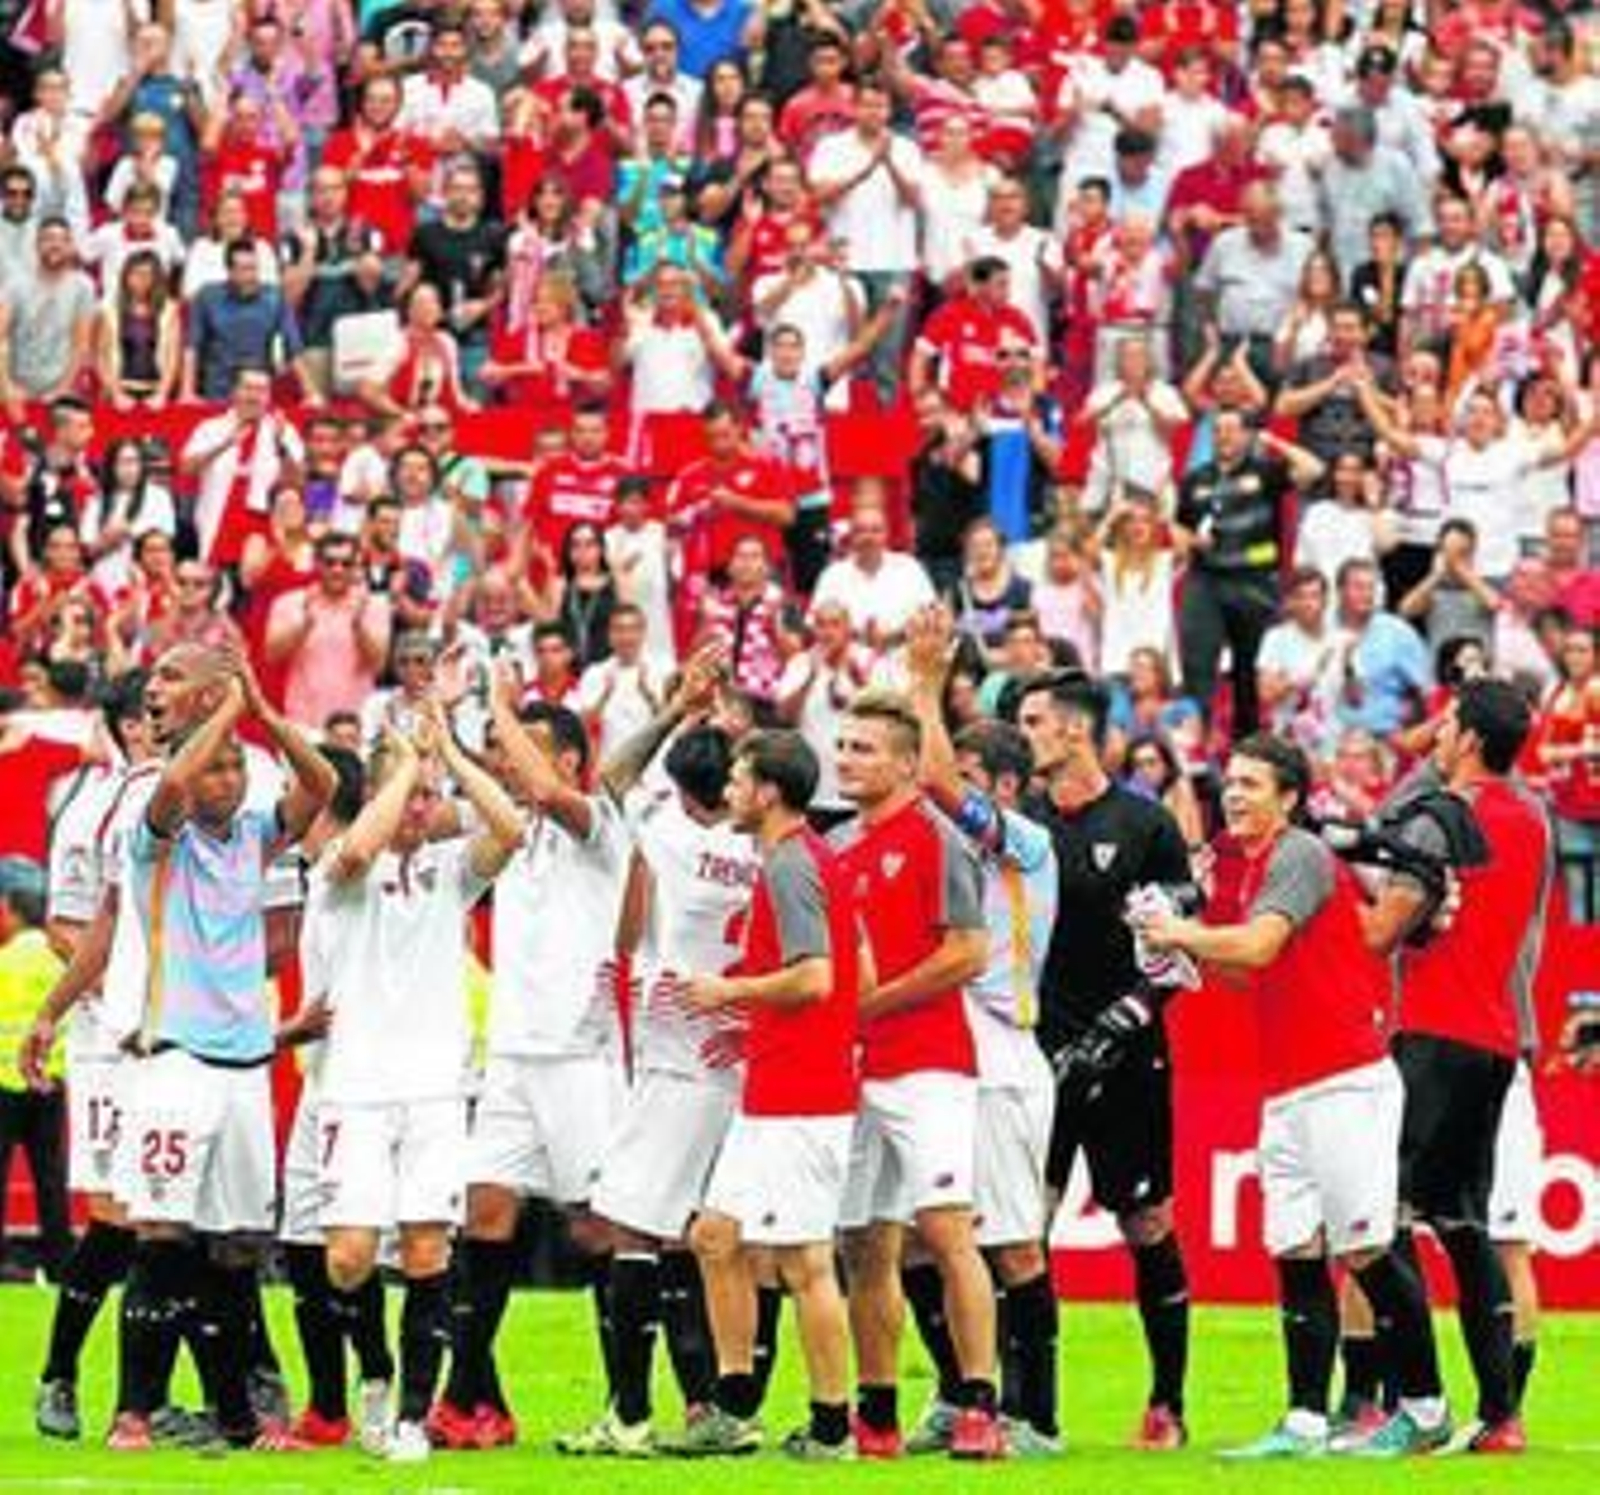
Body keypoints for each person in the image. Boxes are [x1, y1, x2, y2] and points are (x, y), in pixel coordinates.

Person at [1134, 733, 1447, 1459]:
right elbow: (1250, 972)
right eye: (1230, 782)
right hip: (1290, 1085)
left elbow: (1257, 947)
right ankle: (1306, 1418)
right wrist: (1186, 948)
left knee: (1367, 1246)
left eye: (1251, 783)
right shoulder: (1252, 869)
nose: (1234, 793)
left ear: (1290, 798)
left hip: (1343, 1078)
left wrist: (1179, 928)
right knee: (1296, 1248)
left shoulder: (1299, 853)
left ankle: (1426, 1406)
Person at [112, 652, 335, 1450]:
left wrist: (265, 716)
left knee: (238, 1247)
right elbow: (176, 785)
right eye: (220, 766)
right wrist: (223, 713)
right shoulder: (156, 830)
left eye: (240, 767)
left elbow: (323, 790)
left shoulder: (254, 836)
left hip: (246, 1063)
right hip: (176, 1057)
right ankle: (132, 1411)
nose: (229, 778)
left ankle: (238, 1418)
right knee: (163, 1233)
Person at [558, 649, 760, 1455]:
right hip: (739, 1054)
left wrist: (679, 708)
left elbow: (606, 778)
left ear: (680, 787)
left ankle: (632, 1415)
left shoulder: (669, 832)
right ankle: (713, 1404)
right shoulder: (762, 845)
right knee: (704, 1235)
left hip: (678, 1053)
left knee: (632, 1230)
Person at [314, 699, 522, 1464]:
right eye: (410, 794)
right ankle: (373, 1367)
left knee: (429, 1249)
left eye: (431, 798)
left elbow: (511, 828)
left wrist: (451, 758)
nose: (422, 809)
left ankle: (410, 1418)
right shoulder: (337, 868)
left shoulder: (448, 870)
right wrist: (405, 767)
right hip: (357, 1087)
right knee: (349, 1258)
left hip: (435, 1087)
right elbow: (363, 843)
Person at [1354, 678, 1555, 1454]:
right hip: (1500, 1039)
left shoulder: (1444, 818)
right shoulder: (1534, 817)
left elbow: (1381, 928)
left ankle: (1420, 1401)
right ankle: (1499, 1414)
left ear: (1467, 736)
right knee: (1467, 1222)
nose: (1434, 732)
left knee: (1382, 1214)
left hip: (1433, 1033)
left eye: (1445, 721)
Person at [434, 680, 630, 1452]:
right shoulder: (502, 834)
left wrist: (501, 708)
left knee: (599, 1227)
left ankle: (628, 1404)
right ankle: (474, 1398)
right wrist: (443, 738)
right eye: (500, 751)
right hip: (513, 1054)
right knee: (482, 1213)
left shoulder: (600, 825)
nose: (507, 762)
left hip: (582, 1054)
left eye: (519, 747)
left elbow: (548, 789)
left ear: (573, 760)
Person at [1012, 668, 1194, 1449]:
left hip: (1128, 1055)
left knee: (1146, 1218)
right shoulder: (1023, 826)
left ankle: (1167, 1403)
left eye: (1031, 720)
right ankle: (1032, 1411)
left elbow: (1180, 942)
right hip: (1040, 1056)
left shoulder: (1147, 824)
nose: (1023, 734)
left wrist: (1130, 1015)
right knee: (1026, 1224)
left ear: (1074, 730)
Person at [677, 727, 862, 1460]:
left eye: (738, 778)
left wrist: (730, 989)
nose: (727, 790)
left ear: (769, 792)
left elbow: (815, 977)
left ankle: (831, 1426)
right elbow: (856, 973)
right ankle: (736, 1402)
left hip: (802, 1098)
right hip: (781, 1085)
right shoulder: (801, 858)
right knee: (715, 1235)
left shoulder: (790, 865)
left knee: (803, 1261)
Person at [904, 606, 1062, 1454]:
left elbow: (929, 779)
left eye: (968, 771)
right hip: (936, 1051)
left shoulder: (1028, 844)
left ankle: (1035, 1413)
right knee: (923, 1238)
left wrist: (927, 685)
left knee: (1010, 1243)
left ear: (1002, 786)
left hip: (1001, 1049)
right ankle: (959, 1389)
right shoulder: (944, 845)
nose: (948, 781)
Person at [829, 691, 1000, 1459]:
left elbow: (969, 950)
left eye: (864, 748)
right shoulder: (836, 847)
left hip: (929, 1062)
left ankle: (978, 1402)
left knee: (944, 1229)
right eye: (843, 745)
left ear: (905, 762)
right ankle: (878, 1411)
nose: (846, 759)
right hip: (857, 1069)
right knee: (864, 1241)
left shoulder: (937, 838)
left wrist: (874, 1002)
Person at [0, 857, 69, 1282]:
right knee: (50, 1179)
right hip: (51, 1083)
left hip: (4, 1083)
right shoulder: (60, 958)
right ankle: (60, 1262)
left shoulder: (5, 961)